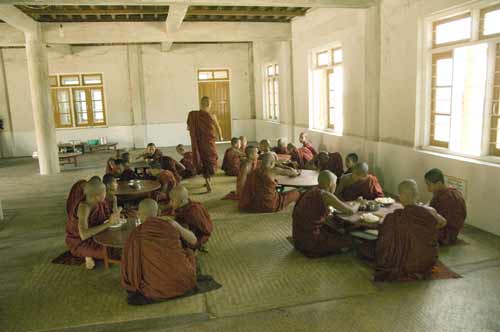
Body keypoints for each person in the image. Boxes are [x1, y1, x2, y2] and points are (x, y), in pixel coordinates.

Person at [121, 199, 197, 303]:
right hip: (186, 282)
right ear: (159, 213)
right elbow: (194, 240)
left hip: (157, 289)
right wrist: (176, 225)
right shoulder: (170, 225)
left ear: (138, 214)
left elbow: (130, 263)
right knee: (189, 252)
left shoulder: (136, 234)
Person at [374, 179, 446, 282]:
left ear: (402, 196)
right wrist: (427, 229)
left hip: (405, 264)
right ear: (417, 194)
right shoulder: (430, 211)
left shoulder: (394, 217)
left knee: (369, 248)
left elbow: (384, 242)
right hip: (427, 261)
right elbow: (443, 222)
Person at [293, 171, 361, 258]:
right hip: (310, 242)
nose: (336, 186)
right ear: (330, 184)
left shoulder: (311, 191)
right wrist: (358, 202)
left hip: (298, 239)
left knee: (335, 230)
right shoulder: (326, 195)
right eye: (335, 183)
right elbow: (350, 211)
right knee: (352, 241)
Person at [65, 178, 121, 269]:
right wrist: (109, 223)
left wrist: (115, 204)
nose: (106, 194)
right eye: (104, 192)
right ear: (98, 196)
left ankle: (89, 254)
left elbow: (106, 216)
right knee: (110, 252)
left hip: (95, 235)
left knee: (117, 241)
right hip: (80, 242)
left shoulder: (98, 202)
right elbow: (83, 235)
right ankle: (86, 255)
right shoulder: (84, 208)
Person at [187, 96, 223, 193]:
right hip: (209, 143)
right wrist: (221, 137)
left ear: (201, 103)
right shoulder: (212, 116)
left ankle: (207, 180)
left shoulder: (192, 115)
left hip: (198, 143)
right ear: (208, 104)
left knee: (202, 160)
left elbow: (189, 128)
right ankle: (208, 181)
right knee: (209, 160)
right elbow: (218, 127)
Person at [425, 168, 467, 245]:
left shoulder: (447, 198)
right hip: (451, 230)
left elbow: (441, 222)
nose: (427, 189)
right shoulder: (450, 192)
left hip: (447, 233)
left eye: (429, 185)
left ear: (439, 183)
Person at [171, 185, 213, 250]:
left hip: (199, 236)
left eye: (172, 200)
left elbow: (189, 234)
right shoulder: (193, 204)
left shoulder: (188, 213)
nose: (170, 203)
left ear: (181, 202)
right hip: (202, 230)